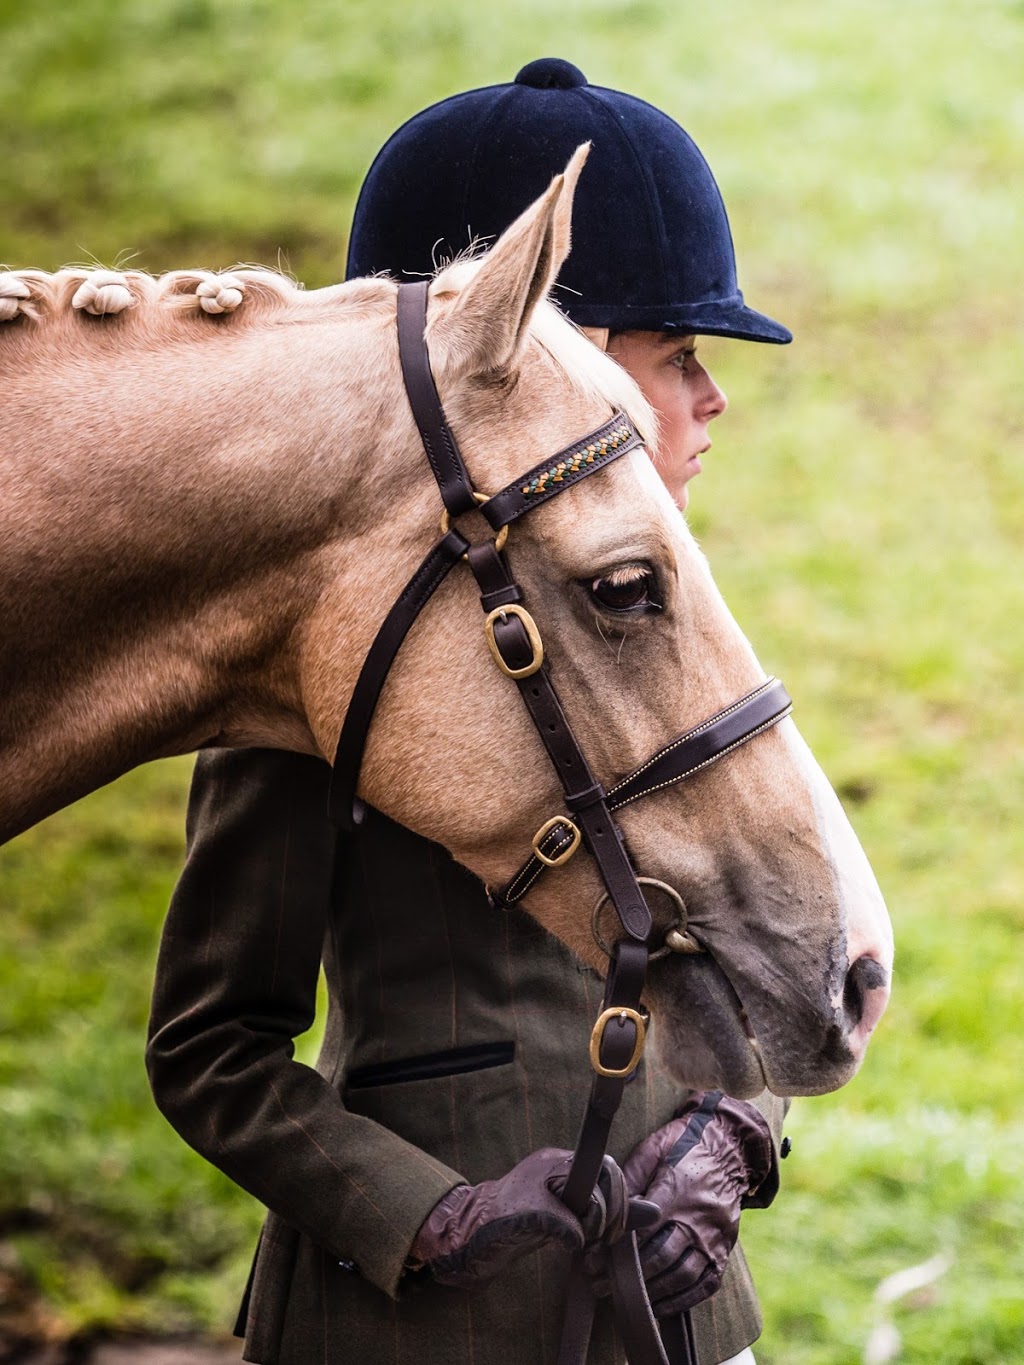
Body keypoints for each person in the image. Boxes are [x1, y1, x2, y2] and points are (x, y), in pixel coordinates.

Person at [146, 58, 792, 1365]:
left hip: (680, 1318)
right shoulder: (321, 662)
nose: (713, 398)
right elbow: (211, 1040)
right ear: (545, 364)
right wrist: (432, 1216)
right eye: (678, 356)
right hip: (404, 1331)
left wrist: (732, 1135)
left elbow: (768, 936)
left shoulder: (674, 620)